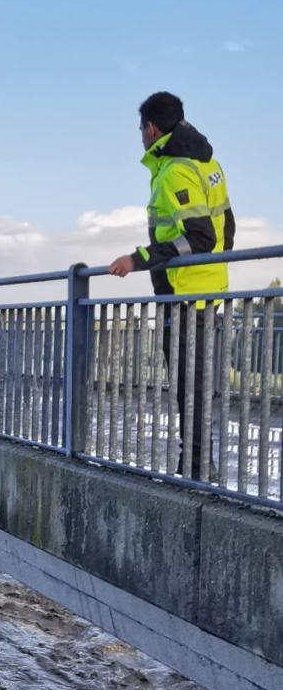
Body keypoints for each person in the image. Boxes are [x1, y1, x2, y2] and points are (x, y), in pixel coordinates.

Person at [108, 91, 235, 479]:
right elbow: (225, 227)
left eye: (140, 130)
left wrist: (138, 259)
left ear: (151, 128)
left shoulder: (174, 172)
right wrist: (214, 268)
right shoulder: (207, 163)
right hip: (207, 290)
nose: (141, 137)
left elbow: (199, 237)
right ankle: (198, 464)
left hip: (183, 295)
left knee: (187, 384)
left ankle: (194, 467)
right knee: (198, 383)